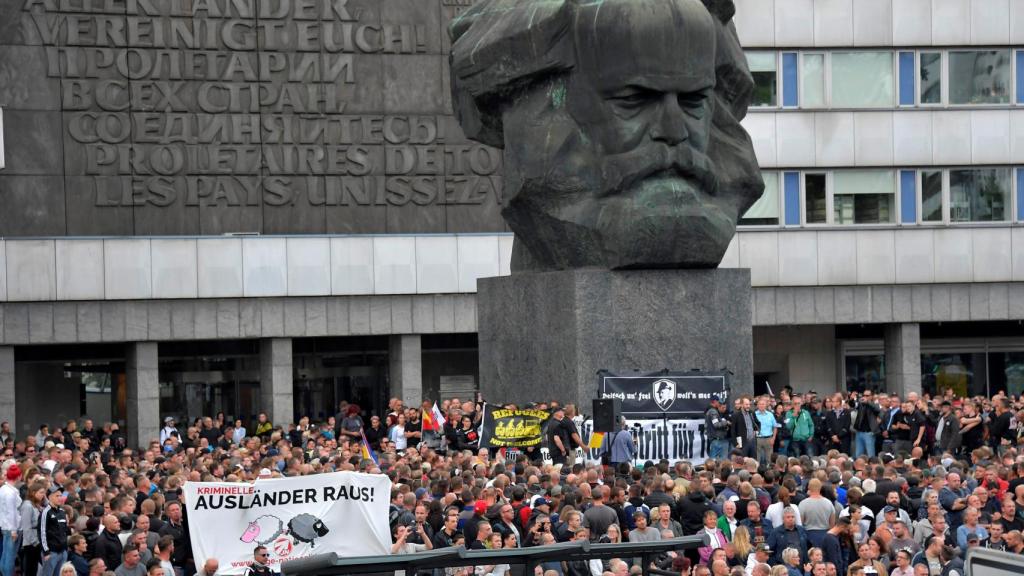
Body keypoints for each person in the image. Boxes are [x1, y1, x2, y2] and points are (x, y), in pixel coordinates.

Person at [40, 487, 69, 576]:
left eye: (61, 496)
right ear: (50, 497)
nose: (60, 498)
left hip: (63, 551)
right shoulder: (45, 512)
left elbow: (65, 531)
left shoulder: (62, 512)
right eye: (57, 496)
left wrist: (65, 549)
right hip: (51, 552)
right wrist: (46, 552)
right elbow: (42, 533)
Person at [0, 463, 21, 576]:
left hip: (5, 526)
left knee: (5, 556)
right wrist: (13, 530)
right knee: (9, 557)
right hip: (11, 527)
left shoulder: (4, 489)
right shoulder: (10, 492)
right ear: (18, 477)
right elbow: (11, 512)